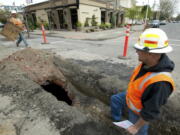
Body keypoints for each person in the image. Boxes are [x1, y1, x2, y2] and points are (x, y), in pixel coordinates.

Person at [111, 28, 175, 135]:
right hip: (132, 96)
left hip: (138, 111)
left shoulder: (161, 83)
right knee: (115, 99)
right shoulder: (148, 62)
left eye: (139, 49)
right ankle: (117, 121)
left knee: (139, 132)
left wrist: (136, 127)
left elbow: (151, 112)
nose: (136, 51)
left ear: (152, 54)